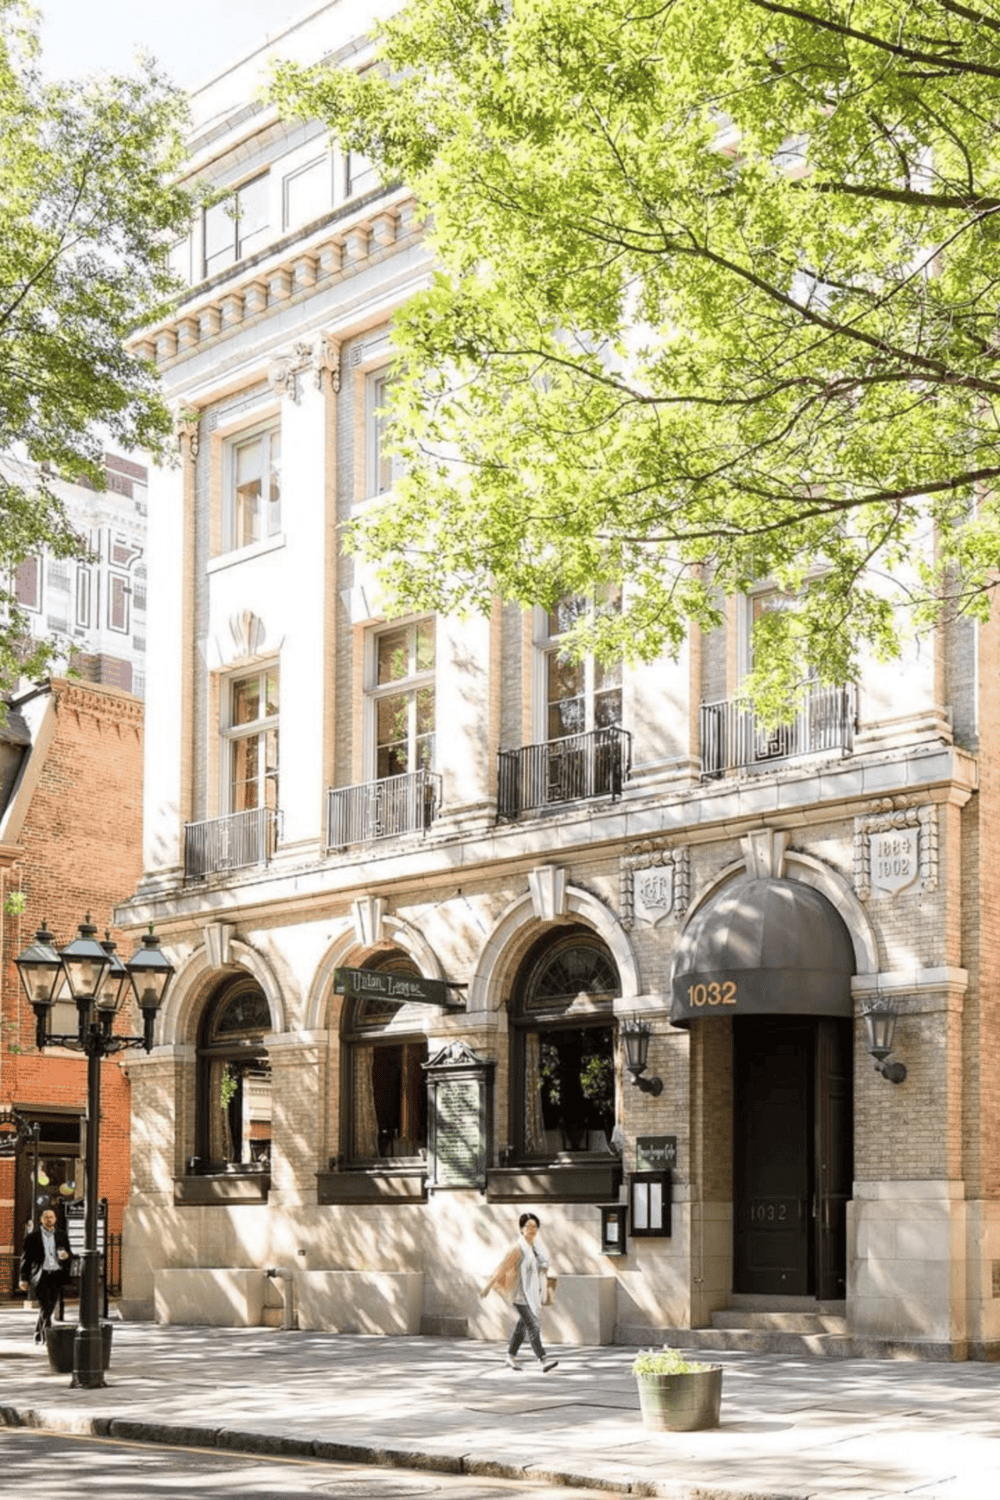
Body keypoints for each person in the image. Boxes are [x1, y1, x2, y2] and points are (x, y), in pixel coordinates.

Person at [480, 1211, 558, 1372]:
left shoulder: (536, 1247)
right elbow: (502, 1268)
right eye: (528, 1226)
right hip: (521, 1296)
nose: (532, 1229)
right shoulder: (518, 1248)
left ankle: (510, 1356)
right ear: (521, 1229)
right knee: (533, 1325)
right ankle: (543, 1359)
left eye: (534, 1226)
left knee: (521, 1328)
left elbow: (541, 1266)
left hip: (533, 1294)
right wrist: (487, 1287)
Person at [19, 1207, 71, 1344]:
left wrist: (67, 1256)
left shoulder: (61, 1235)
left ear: (55, 1219)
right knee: (45, 1305)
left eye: (51, 1217)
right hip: (41, 1276)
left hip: (56, 1275)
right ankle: (47, 1336)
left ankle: (39, 1333)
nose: (49, 1219)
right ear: (41, 1220)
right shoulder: (32, 1237)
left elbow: (68, 1253)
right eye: (46, 1217)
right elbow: (26, 1259)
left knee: (49, 1306)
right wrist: (23, 1278)